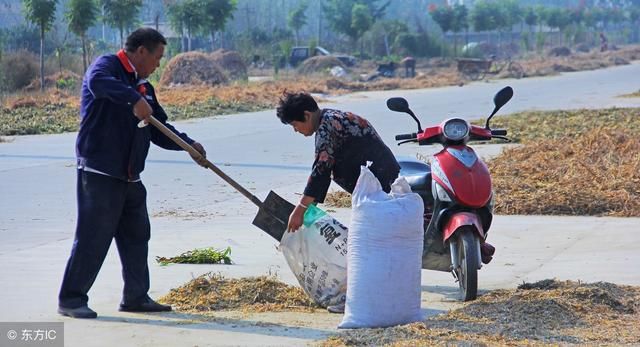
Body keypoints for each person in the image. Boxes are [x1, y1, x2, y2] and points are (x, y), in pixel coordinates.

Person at [57, 28, 207, 319]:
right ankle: (71, 299)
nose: (159, 65)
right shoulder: (106, 66)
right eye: (158, 57)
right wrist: (131, 98)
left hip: (130, 176)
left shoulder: (144, 88)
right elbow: (97, 83)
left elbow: (158, 128)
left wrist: (188, 146)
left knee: (137, 235)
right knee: (93, 236)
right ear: (141, 52)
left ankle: (136, 296)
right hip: (101, 172)